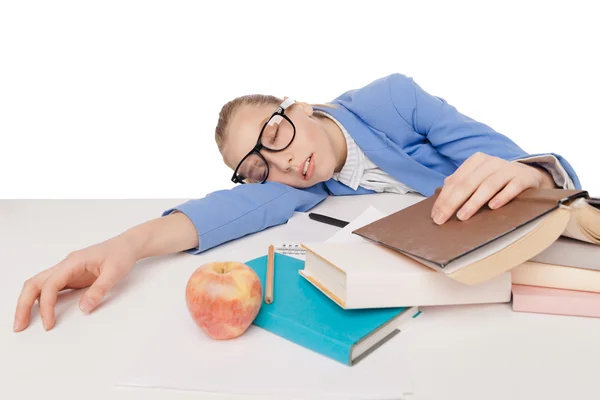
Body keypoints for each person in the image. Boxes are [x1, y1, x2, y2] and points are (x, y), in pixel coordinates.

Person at [13, 73, 581, 332]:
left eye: (277, 136)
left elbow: (516, 162)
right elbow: (217, 213)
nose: (283, 165)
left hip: (537, 243)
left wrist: (526, 171)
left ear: (301, 106)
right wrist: (125, 244)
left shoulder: (392, 100)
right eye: (260, 168)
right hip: (457, 300)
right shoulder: (297, 185)